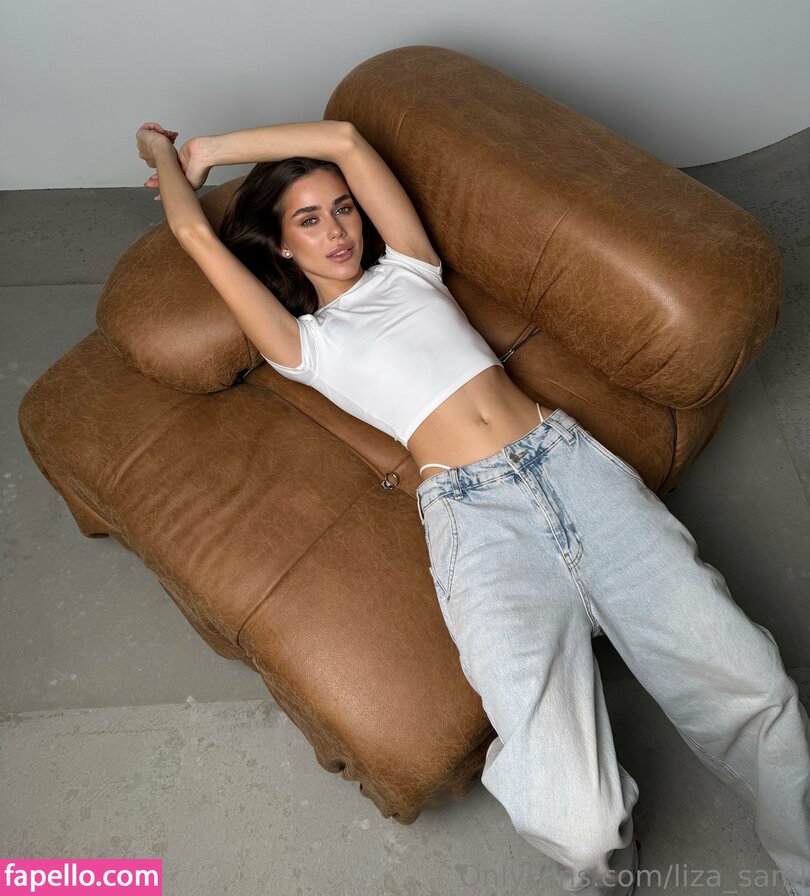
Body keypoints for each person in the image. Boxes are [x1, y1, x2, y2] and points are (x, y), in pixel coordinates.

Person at [136, 119, 810, 896]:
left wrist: (213, 149)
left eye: (344, 208)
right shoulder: (304, 346)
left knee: (758, 693)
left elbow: (347, 139)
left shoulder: (411, 267)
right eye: (309, 220)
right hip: (481, 528)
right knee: (578, 824)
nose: (337, 230)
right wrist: (164, 155)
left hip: (573, 470)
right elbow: (194, 233)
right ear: (281, 246)